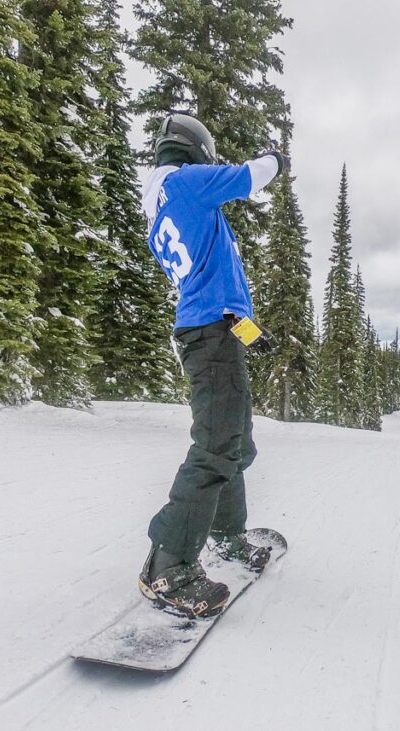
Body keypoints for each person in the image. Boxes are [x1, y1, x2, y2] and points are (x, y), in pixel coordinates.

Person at [137, 113, 288, 619]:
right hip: (209, 336)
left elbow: (213, 285)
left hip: (215, 330)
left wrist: (249, 332)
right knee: (216, 446)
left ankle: (225, 535)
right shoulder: (185, 183)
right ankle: (168, 564)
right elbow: (250, 177)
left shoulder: (166, 203)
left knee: (235, 444)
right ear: (196, 150)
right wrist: (276, 158)